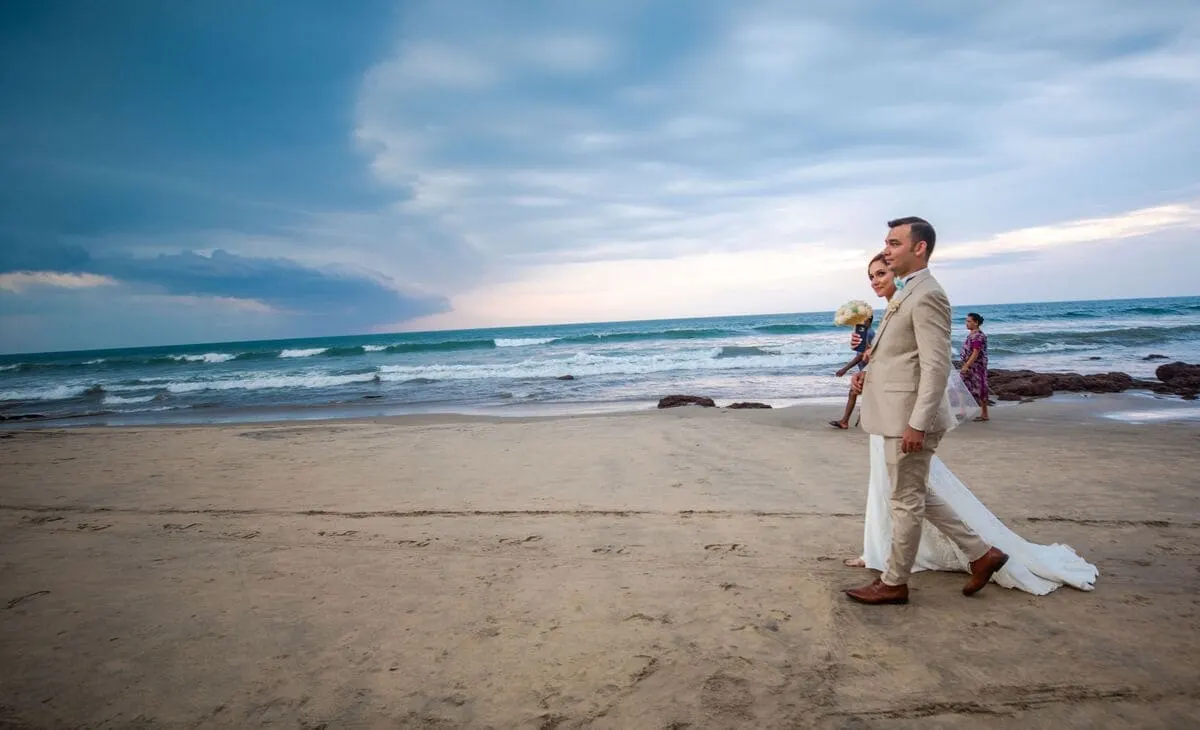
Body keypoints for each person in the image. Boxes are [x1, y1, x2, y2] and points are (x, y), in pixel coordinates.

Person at [844, 218, 1097, 601]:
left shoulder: (927, 294)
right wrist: (868, 372)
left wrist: (917, 424)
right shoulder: (908, 293)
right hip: (897, 413)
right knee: (913, 495)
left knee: (906, 500)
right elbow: (903, 358)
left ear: (919, 248)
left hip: (908, 418)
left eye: (894, 243)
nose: (887, 249)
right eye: (886, 243)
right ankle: (982, 555)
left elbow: (935, 366)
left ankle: (894, 583)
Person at [829, 312, 875, 430]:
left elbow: (861, 355)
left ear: (868, 320)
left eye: (861, 319)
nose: (858, 322)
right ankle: (852, 419)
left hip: (867, 370)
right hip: (866, 369)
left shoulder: (867, 333)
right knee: (859, 393)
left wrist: (845, 369)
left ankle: (846, 421)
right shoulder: (869, 332)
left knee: (854, 392)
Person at [960, 313, 989, 421]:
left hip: (977, 366)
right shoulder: (971, 334)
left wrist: (966, 365)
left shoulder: (978, 336)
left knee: (981, 388)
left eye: (969, 321)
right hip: (968, 365)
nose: (966, 323)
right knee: (962, 387)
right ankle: (963, 411)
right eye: (966, 321)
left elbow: (976, 352)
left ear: (976, 323)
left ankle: (984, 414)